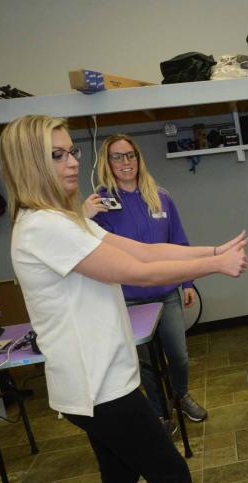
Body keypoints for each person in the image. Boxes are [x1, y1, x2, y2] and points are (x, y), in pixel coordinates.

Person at [0, 114, 248, 483]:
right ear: (30, 164)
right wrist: (216, 265)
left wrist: (212, 249)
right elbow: (135, 271)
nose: (73, 162)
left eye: (72, 152)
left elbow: (144, 251)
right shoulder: (43, 226)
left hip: (99, 381)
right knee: (170, 474)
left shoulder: (62, 220)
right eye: (56, 155)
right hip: (98, 387)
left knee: (118, 479)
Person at [84, 134, 206, 430]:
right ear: (107, 163)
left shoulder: (160, 196)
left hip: (167, 293)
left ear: (138, 159)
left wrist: (187, 281)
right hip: (129, 299)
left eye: (130, 156)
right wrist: (83, 217)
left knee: (178, 355)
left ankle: (180, 396)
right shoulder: (100, 203)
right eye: (117, 157)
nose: (125, 162)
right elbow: (85, 247)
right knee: (147, 364)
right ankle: (160, 411)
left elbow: (178, 241)